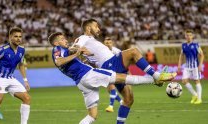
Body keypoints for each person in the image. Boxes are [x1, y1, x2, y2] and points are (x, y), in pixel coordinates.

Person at [48, 32, 176, 124]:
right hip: (88, 75)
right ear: (56, 42)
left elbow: (70, 52)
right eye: (62, 39)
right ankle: (157, 78)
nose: (65, 40)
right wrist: (77, 53)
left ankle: (157, 79)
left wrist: (79, 51)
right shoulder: (56, 49)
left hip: (82, 83)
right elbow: (59, 61)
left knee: (92, 116)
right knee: (122, 78)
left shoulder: (63, 50)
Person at [0, 27, 31, 124]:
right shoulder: (2, 50)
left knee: (27, 98)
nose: (18, 38)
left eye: (20, 37)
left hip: (10, 78)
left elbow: (21, 65)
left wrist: (25, 80)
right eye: (15, 36)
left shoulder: (22, 50)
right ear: (10, 37)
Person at [178, 30, 204, 104]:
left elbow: (202, 55)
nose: (188, 36)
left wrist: (200, 65)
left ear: (192, 36)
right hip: (187, 66)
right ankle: (195, 95)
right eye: (187, 35)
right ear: (185, 36)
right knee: (184, 81)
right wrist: (179, 65)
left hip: (195, 66)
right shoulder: (183, 45)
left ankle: (199, 99)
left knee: (196, 81)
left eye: (190, 35)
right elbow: (181, 56)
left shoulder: (196, 45)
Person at [104, 37, 122, 112]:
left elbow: (121, 60)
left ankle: (111, 106)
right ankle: (122, 102)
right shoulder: (102, 51)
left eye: (109, 43)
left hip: (115, 71)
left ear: (112, 43)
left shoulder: (117, 51)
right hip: (105, 71)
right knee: (110, 90)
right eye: (106, 43)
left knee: (111, 87)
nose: (108, 44)